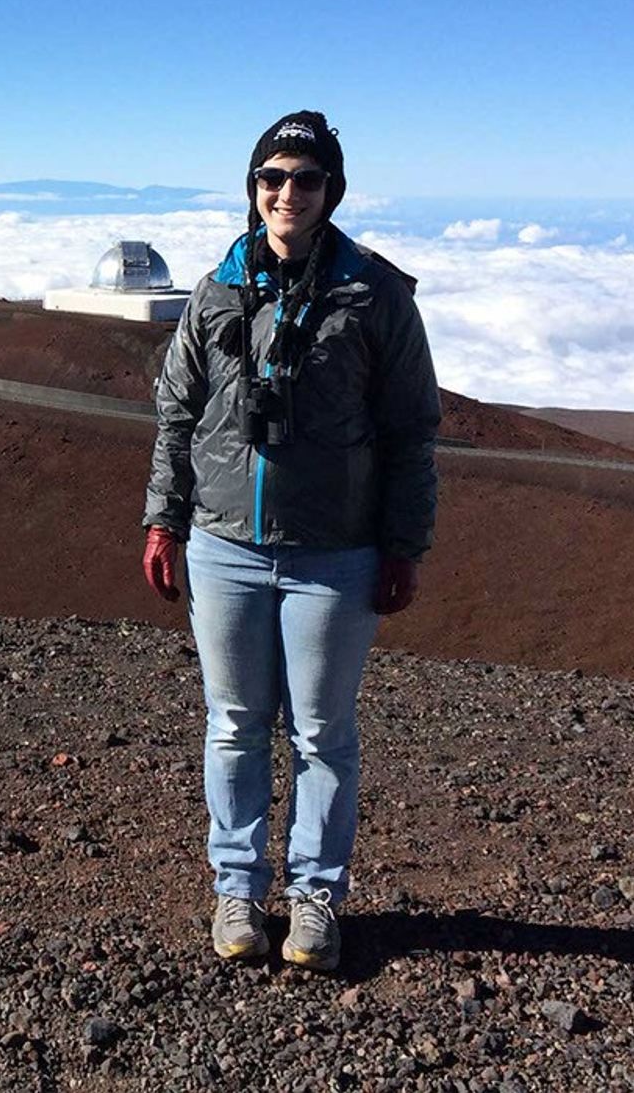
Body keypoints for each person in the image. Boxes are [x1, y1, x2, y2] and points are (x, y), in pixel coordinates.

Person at [140, 111, 439, 972]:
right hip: (224, 544)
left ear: (330, 190)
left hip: (333, 552)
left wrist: (401, 545)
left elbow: (413, 430)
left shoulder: (375, 294)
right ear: (252, 188)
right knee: (233, 725)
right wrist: (163, 518)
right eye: (272, 177)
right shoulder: (217, 289)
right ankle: (238, 889)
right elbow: (177, 415)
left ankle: (314, 898)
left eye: (305, 179)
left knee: (321, 733)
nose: (286, 194)